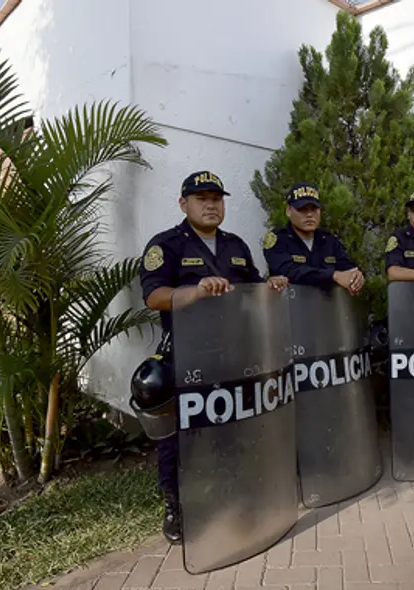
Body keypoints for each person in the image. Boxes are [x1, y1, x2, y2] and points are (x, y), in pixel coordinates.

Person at [138, 170, 288, 544]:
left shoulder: (235, 245)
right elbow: (154, 297)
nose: (210, 205)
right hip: (187, 357)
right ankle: (176, 506)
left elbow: (252, 288)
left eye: (216, 199)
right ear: (183, 203)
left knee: (232, 430)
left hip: (232, 354)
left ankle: (234, 498)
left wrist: (269, 286)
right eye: (201, 198)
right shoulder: (167, 245)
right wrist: (196, 291)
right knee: (177, 437)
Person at [263, 182, 364, 294]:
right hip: (290, 303)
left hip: (326, 304)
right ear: (288, 211)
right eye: (302, 209)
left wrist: (356, 278)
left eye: (314, 209)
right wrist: (333, 275)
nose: (309, 215)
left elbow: (348, 269)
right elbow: (289, 272)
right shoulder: (279, 239)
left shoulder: (329, 240)